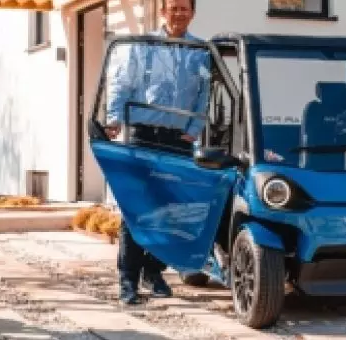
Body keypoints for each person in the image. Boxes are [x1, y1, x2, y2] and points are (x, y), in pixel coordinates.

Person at [104, 0, 210, 305]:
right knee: (137, 207)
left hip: (179, 138)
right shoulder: (143, 46)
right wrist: (114, 120)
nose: (178, 14)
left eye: (184, 9)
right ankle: (128, 280)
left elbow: (204, 95)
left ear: (192, 13)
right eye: (173, 8)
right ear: (163, 12)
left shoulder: (201, 51)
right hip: (143, 134)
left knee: (172, 209)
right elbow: (122, 83)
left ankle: (154, 269)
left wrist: (194, 128)